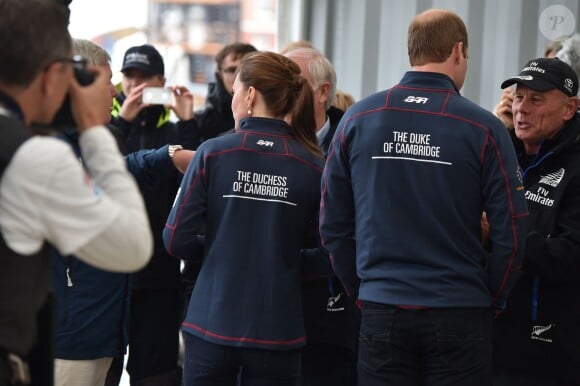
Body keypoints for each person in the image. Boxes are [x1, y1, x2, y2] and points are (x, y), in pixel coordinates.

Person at [320, 8, 528, 386]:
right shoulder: (483, 128)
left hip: (382, 307)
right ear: (458, 51)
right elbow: (511, 230)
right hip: (460, 309)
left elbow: (332, 224)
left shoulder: (358, 119)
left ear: (411, 52)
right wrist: (491, 298)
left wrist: (364, 289)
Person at [0, 1, 153, 385]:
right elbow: (132, 245)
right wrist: (95, 134)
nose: (115, 93)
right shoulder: (34, 156)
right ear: (57, 76)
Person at [163, 51, 325, 386]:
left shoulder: (213, 152)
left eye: (236, 90)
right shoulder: (314, 165)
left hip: (212, 324)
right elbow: (332, 251)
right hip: (278, 332)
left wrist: (218, 249)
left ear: (250, 95)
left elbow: (176, 239)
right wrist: (284, 262)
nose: (233, 98)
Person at [109, 44, 198, 385]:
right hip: (112, 269)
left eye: (145, 77)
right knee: (105, 367)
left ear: (161, 81)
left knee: (156, 374)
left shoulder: (174, 132)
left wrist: (188, 120)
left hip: (158, 270)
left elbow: (197, 177)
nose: (136, 85)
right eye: (129, 76)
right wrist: (122, 120)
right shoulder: (108, 124)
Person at [492, 57, 580, 386]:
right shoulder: (501, 155)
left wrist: (497, 235)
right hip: (489, 345)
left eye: (536, 99)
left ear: (570, 108)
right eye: (518, 97)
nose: (522, 108)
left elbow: (570, 255)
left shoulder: (575, 169)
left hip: (551, 356)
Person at [284, 46, 359, 386]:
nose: (280, 94)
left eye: (292, 84)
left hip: (335, 326)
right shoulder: (254, 145)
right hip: (270, 323)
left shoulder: (358, 145)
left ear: (323, 92)